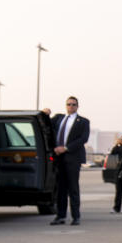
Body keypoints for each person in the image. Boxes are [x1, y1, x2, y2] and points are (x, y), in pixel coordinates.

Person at [50, 96, 90, 226]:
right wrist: (45, 113)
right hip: (58, 158)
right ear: (65, 106)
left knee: (73, 188)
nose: (71, 106)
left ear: (77, 106)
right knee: (60, 188)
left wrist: (66, 148)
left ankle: (76, 216)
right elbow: (46, 125)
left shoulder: (83, 121)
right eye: (69, 104)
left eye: (73, 104)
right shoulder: (59, 118)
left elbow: (83, 138)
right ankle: (60, 216)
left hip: (72, 157)